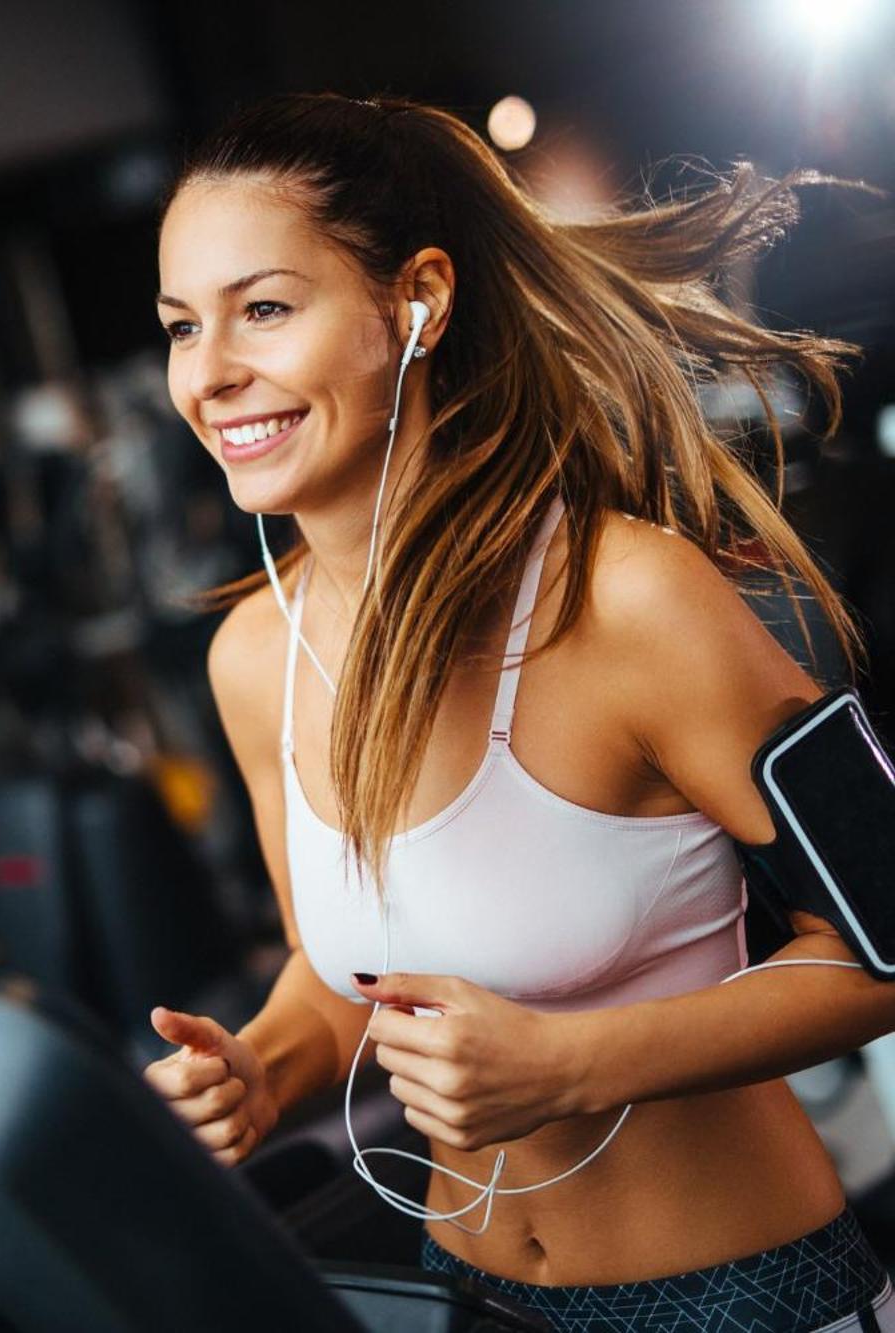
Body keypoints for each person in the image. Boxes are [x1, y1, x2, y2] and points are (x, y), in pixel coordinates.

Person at [142, 94, 892, 1331]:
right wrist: (256, 1071)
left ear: (417, 300)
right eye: (181, 326)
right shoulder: (251, 658)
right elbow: (351, 982)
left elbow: (885, 938)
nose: (211, 374)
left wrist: (570, 1062)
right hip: (469, 1295)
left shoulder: (625, 597)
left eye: (263, 308)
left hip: (735, 1296)